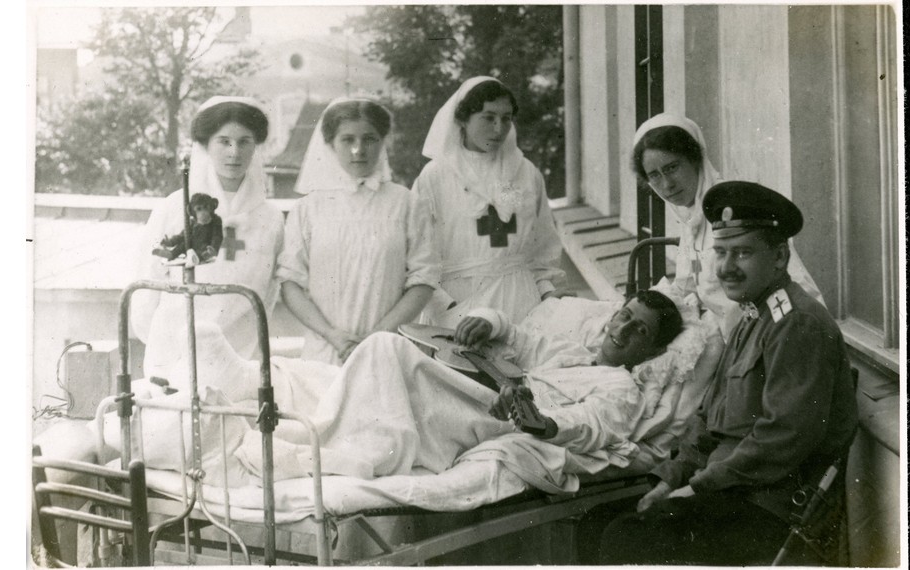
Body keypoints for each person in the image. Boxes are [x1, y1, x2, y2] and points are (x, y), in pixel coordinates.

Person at [590, 181, 859, 566]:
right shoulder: (750, 315)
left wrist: (699, 485)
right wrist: (672, 477)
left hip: (768, 506)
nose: (727, 268)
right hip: (728, 489)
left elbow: (783, 438)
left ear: (779, 257)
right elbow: (708, 417)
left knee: (626, 535)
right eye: (721, 252)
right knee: (596, 522)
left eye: (743, 253)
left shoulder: (796, 324)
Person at [203, 288, 685, 485]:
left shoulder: (621, 388)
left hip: (496, 419)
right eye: (624, 316)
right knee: (342, 373)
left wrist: (543, 422)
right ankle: (252, 384)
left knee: (385, 351)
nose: (622, 330)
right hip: (480, 392)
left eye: (639, 330)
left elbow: (593, 426)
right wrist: (486, 321)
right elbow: (518, 335)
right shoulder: (569, 351)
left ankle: (316, 447)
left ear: (652, 350)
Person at [131, 96, 286, 380]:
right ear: (206, 146)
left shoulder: (271, 219)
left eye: (244, 142)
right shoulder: (174, 208)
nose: (234, 152)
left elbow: (269, 294)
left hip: (240, 359)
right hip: (174, 355)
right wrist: (160, 346)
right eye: (224, 141)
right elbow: (148, 284)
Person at [631, 114, 824, 340]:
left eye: (672, 167)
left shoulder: (732, 209)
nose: (667, 184)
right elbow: (688, 289)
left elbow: (795, 292)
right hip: (732, 339)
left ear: (695, 159)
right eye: (654, 175)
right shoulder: (691, 219)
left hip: (773, 338)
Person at [278, 98, 440, 365]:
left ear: (383, 141)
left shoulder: (406, 203)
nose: (358, 150)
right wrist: (332, 335)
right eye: (347, 140)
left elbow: (424, 279)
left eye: (369, 139)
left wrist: (378, 336)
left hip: (386, 348)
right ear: (330, 144)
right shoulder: (308, 208)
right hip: (326, 351)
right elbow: (290, 283)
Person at [413, 76, 565, 328]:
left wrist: (548, 293)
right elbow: (417, 255)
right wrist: (447, 308)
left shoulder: (525, 172)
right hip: (459, 308)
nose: (498, 128)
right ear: (462, 119)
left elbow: (544, 247)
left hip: (522, 304)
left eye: (506, 119)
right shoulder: (435, 176)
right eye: (488, 117)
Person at [151, 193, 223, 263]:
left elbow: (217, 236)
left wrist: (214, 248)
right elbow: (182, 235)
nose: (203, 212)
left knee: (202, 251)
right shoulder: (193, 223)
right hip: (190, 246)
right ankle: (171, 254)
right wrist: (170, 242)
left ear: (211, 208)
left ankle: (201, 257)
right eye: (199, 209)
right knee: (183, 244)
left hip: (205, 247)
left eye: (206, 208)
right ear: (193, 212)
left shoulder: (215, 221)